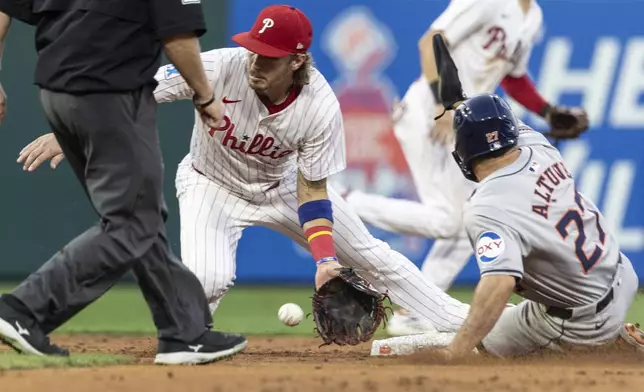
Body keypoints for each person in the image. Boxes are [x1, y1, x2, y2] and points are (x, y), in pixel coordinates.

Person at [18, 4, 473, 340]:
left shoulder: (320, 107)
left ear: (297, 61)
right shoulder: (221, 66)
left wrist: (324, 260)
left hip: (282, 188)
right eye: (255, 49)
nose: (256, 61)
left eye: (269, 57)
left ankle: (471, 325)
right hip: (209, 183)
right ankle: (190, 344)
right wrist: (71, 133)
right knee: (207, 279)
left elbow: (312, 188)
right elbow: (138, 89)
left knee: (373, 257)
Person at [0, 0, 247, 365]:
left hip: (56, 89)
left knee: (139, 216)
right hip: (110, 91)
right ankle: (23, 310)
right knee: (131, 222)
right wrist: (205, 95)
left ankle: (184, 331)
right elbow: (178, 36)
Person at [369, 36, 642, 357]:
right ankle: (616, 336)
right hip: (620, 274)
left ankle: (606, 342)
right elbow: (493, 126)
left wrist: (457, 350)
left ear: (463, 155)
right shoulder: (538, 145)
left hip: (580, 322)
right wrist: (459, 102)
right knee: (525, 310)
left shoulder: (488, 207)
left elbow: (499, 284)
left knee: (479, 348)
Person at [339, 0, 589, 337]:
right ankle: (344, 201)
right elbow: (431, 41)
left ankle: (414, 310)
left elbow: (512, 78)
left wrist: (546, 110)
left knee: (466, 222)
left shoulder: (532, 16)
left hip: (465, 124)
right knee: (452, 222)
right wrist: (444, 104)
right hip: (433, 114)